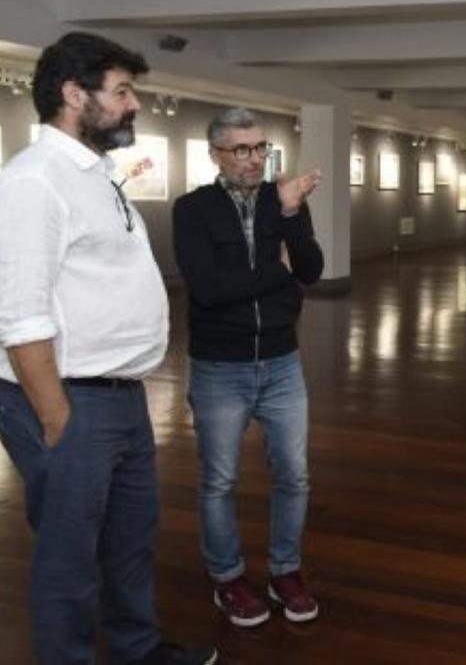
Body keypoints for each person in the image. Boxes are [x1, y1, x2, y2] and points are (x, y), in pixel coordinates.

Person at [0, 32, 217, 665]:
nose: (134, 103)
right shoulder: (33, 183)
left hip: (120, 398)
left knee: (130, 542)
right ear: (72, 95)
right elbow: (19, 315)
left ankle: (138, 651)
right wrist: (56, 416)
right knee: (69, 557)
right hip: (70, 403)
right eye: (121, 91)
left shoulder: (95, 174)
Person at [172, 107, 325, 627]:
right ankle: (228, 579)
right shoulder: (191, 209)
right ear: (215, 153)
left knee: (295, 476)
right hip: (220, 367)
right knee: (219, 480)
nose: (255, 158)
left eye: (261, 148)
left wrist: (288, 217)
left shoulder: (282, 202)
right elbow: (209, 289)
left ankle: (286, 571)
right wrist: (273, 271)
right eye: (242, 150)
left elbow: (310, 270)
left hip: (282, 361)